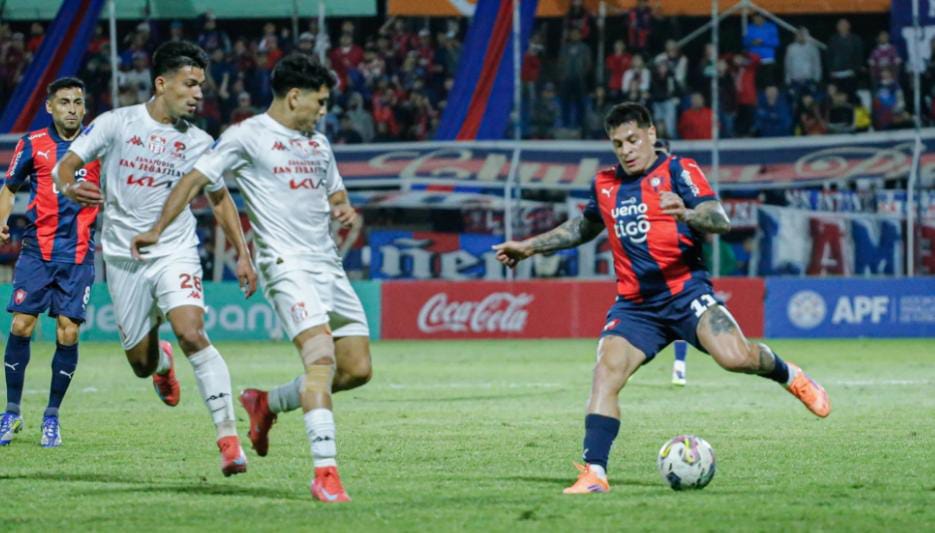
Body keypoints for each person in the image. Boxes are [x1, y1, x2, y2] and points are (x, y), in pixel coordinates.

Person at [492, 103, 831, 494]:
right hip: (636, 305)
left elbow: (719, 219)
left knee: (736, 358)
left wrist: (686, 213)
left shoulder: (678, 170)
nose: (626, 150)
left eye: (633, 140)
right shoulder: (605, 184)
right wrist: (529, 247)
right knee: (606, 372)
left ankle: (790, 376)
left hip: (686, 292)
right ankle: (595, 473)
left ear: (651, 134)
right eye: (618, 143)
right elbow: (583, 228)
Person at [129, 53, 373, 503]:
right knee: (320, 362)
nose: (324, 111)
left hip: (329, 267)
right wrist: (157, 229)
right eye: (320, 102)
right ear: (294, 96)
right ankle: (325, 474)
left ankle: (266, 402)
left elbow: (335, 190)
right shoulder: (247, 136)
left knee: (357, 369)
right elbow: (194, 180)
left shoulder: (318, 144)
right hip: (286, 266)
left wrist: (342, 206)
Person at [53, 41, 256, 476]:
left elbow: (220, 199)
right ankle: (162, 363)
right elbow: (65, 165)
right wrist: (69, 186)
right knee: (141, 365)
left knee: (192, 332)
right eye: (190, 84)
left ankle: (229, 441)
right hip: (124, 258)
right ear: (162, 83)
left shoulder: (200, 142)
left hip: (175, 251)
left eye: (201, 85)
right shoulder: (117, 123)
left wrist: (243, 254)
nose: (198, 93)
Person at [0, 77, 101, 448]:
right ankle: (11, 412)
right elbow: (9, 188)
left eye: (78, 102)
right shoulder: (33, 143)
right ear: (50, 107)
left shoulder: (97, 146)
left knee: (68, 332)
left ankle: (52, 417)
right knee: (21, 324)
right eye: (64, 102)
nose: (72, 109)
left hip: (78, 255)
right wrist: (1, 220)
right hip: (36, 253)